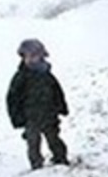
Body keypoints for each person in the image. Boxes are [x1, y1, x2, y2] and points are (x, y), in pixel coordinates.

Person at [6, 38, 69, 170]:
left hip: (49, 114)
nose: (31, 59)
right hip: (30, 117)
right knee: (33, 142)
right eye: (28, 57)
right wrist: (17, 118)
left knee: (53, 138)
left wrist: (62, 107)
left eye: (35, 56)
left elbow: (57, 91)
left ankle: (60, 158)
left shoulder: (46, 75)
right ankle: (36, 164)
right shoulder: (21, 77)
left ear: (42, 56)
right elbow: (13, 99)